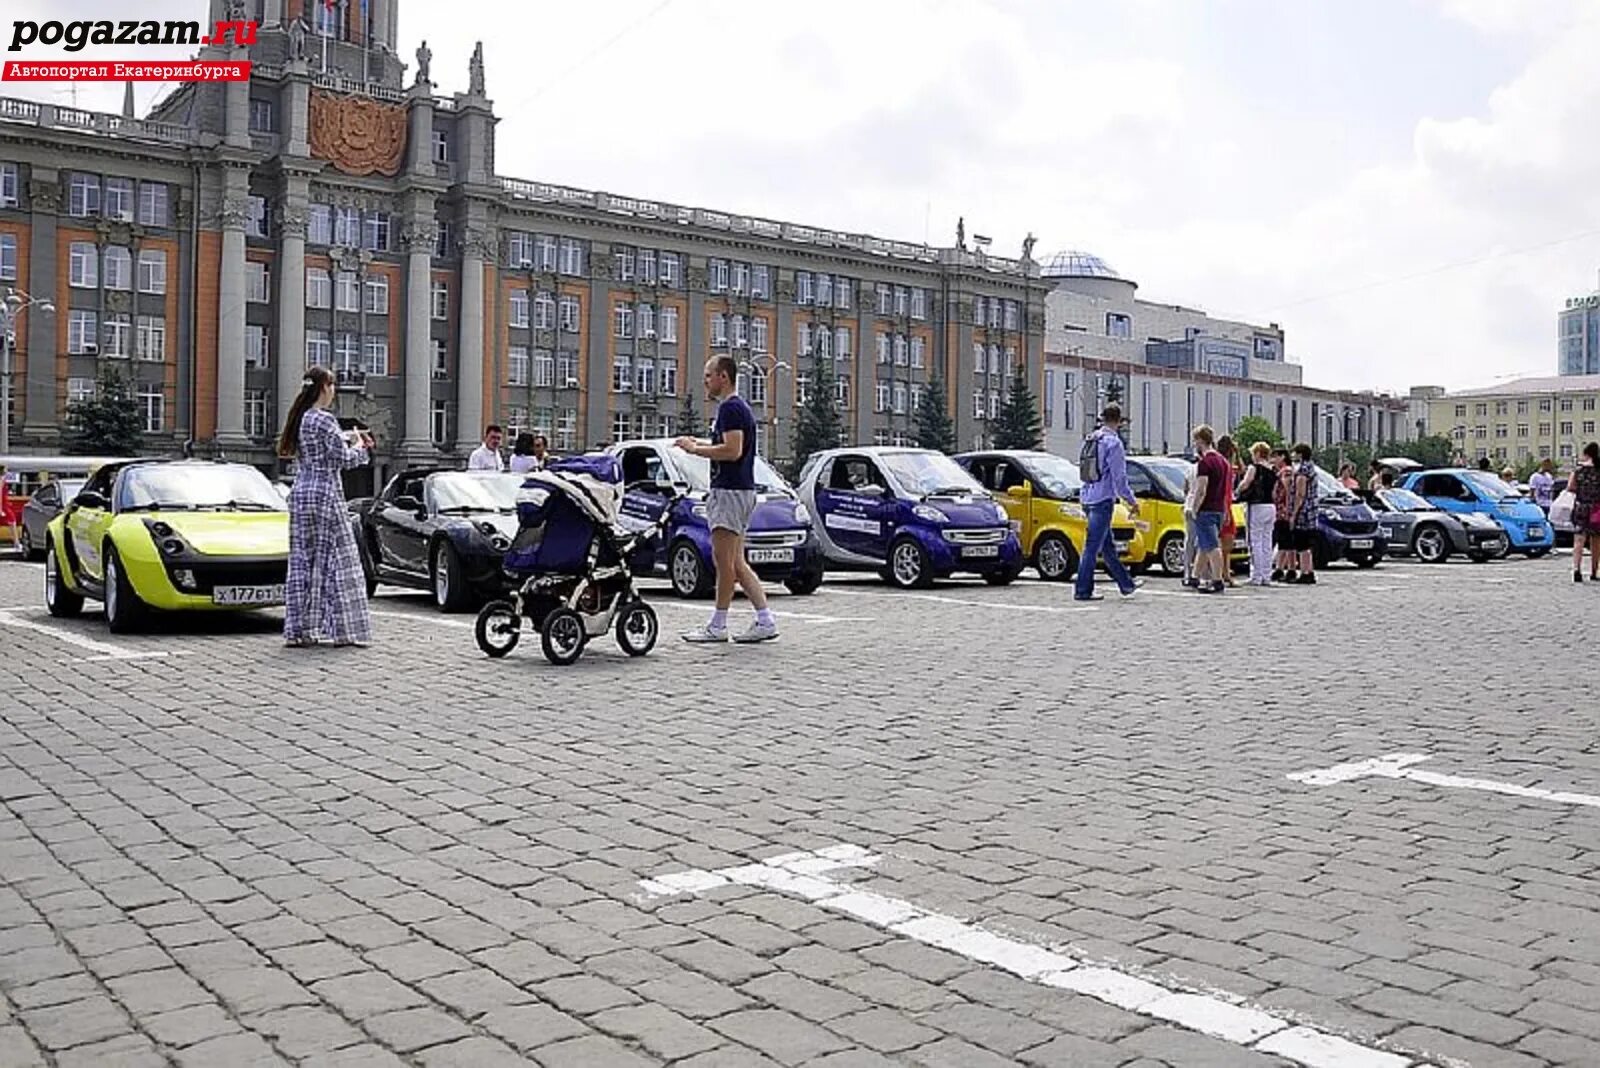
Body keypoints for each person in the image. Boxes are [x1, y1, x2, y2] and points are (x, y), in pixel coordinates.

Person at [675, 355, 777, 643]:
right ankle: (765, 619)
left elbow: (732, 450)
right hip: (737, 490)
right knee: (737, 562)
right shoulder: (733, 409)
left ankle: (718, 625)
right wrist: (697, 444)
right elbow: (728, 447)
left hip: (730, 492)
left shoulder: (731, 408)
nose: (705, 381)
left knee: (725, 563)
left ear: (723, 376)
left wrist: (695, 451)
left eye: (708, 375)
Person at [277, 367, 373, 648]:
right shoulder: (325, 419)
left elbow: (319, 448)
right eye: (332, 386)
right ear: (324, 388)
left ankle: (299, 629)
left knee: (302, 563)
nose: (333, 392)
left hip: (301, 493)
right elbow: (342, 459)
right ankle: (345, 630)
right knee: (339, 561)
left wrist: (345, 438)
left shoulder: (302, 418)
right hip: (325, 495)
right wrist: (360, 447)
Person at [1074, 405, 1141, 601]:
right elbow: (1119, 478)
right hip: (1103, 499)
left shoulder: (1092, 438)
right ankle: (1083, 590)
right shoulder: (1114, 444)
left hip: (1087, 495)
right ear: (1119, 421)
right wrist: (1131, 500)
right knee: (1092, 546)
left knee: (1108, 545)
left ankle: (1126, 584)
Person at [1187, 425, 1230, 594]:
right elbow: (1226, 489)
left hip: (1206, 509)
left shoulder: (1205, 463)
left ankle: (1217, 580)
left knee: (1211, 546)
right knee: (1203, 545)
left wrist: (1195, 508)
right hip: (1219, 508)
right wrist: (1226, 509)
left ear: (1200, 440)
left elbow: (1201, 488)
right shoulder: (1222, 461)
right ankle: (1194, 576)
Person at [1234, 442, 1278, 587]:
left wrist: (1237, 491)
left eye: (1253, 453)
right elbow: (1274, 491)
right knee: (1267, 542)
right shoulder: (1273, 469)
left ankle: (1256, 575)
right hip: (1270, 506)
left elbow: (1246, 483)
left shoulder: (1255, 468)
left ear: (1258, 453)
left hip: (1257, 506)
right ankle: (1266, 575)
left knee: (1255, 541)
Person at [1286, 442, 1320, 584]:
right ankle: (1309, 570)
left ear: (1300, 454)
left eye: (1295, 452)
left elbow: (1300, 493)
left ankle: (1305, 572)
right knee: (1306, 543)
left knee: (1302, 542)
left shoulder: (1302, 471)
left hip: (1304, 510)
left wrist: (1294, 513)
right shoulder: (1312, 468)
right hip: (1311, 509)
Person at [1568, 442, 1600, 583]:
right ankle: (1594, 572)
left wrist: (1581, 491)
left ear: (1585, 453)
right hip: (1596, 509)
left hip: (1581, 506)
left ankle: (1576, 569)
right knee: (1596, 541)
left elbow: (1570, 487)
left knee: (1579, 540)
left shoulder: (1578, 469)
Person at [1217, 435, 1240, 587]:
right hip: (1224, 505)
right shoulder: (1225, 466)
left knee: (1225, 541)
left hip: (1225, 504)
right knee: (1225, 542)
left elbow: (1241, 468)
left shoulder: (1225, 464)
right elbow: (1225, 490)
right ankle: (1222, 572)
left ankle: (1225, 572)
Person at [1270, 448, 1296, 583]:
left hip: (1283, 510)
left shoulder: (1286, 471)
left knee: (1285, 540)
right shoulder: (1284, 471)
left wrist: (1288, 508)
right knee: (1286, 540)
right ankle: (1286, 568)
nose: (1273, 460)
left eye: (1275, 457)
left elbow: (1287, 490)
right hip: (1283, 510)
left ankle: (1284, 568)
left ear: (1282, 457)